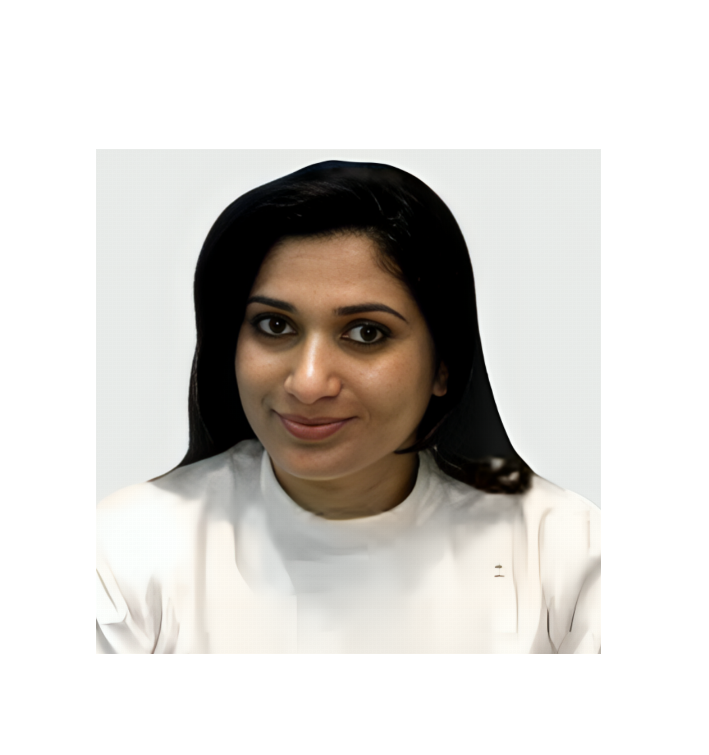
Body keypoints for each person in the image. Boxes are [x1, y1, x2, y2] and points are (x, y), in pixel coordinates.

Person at [97, 160, 600, 654]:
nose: (308, 383)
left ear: (444, 365)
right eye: (275, 326)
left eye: (366, 333)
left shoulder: (562, 553)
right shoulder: (126, 550)